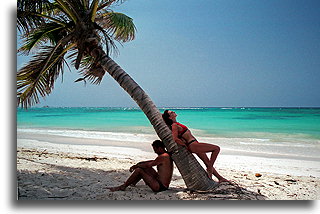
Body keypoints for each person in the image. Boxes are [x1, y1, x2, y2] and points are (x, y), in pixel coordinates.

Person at [162, 110, 228, 182]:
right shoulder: (174, 125)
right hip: (193, 144)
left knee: (207, 161)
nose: (173, 112)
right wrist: (184, 145)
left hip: (194, 143)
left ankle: (220, 178)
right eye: (171, 112)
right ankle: (210, 168)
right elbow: (175, 138)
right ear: (170, 117)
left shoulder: (176, 124)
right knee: (216, 149)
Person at [108, 140, 173, 192]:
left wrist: (136, 166)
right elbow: (152, 161)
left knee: (139, 170)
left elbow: (148, 165)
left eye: (155, 149)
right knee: (142, 167)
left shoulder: (163, 156)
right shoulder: (165, 155)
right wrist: (139, 164)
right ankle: (133, 183)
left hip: (160, 186)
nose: (155, 152)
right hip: (160, 182)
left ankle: (124, 186)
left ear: (159, 148)